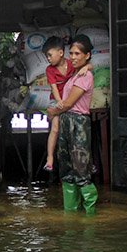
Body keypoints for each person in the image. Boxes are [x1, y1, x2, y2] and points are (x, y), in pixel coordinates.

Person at [46, 35, 96, 213]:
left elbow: (68, 103)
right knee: (66, 169)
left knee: (81, 169)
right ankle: (71, 212)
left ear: (87, 55)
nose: (73, 57)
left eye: (77, 54)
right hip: (67, 122)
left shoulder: (85, 76)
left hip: (78, 124)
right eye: (72, 53)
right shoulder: (74, 74)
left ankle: (90, 214)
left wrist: (53, 112)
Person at [42, 36, 92, 172]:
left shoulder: (72, 64)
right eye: (47, 56)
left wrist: (87, 66)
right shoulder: (49, 70)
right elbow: (53, 88)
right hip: (57, 100)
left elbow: (90, 65)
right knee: (56, 128)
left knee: (78, 139)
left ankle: (86, 163)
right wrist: (59, 103)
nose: (48, 59)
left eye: (50, 55)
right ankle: (50, 158)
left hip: (69, 100)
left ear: (60, 53)